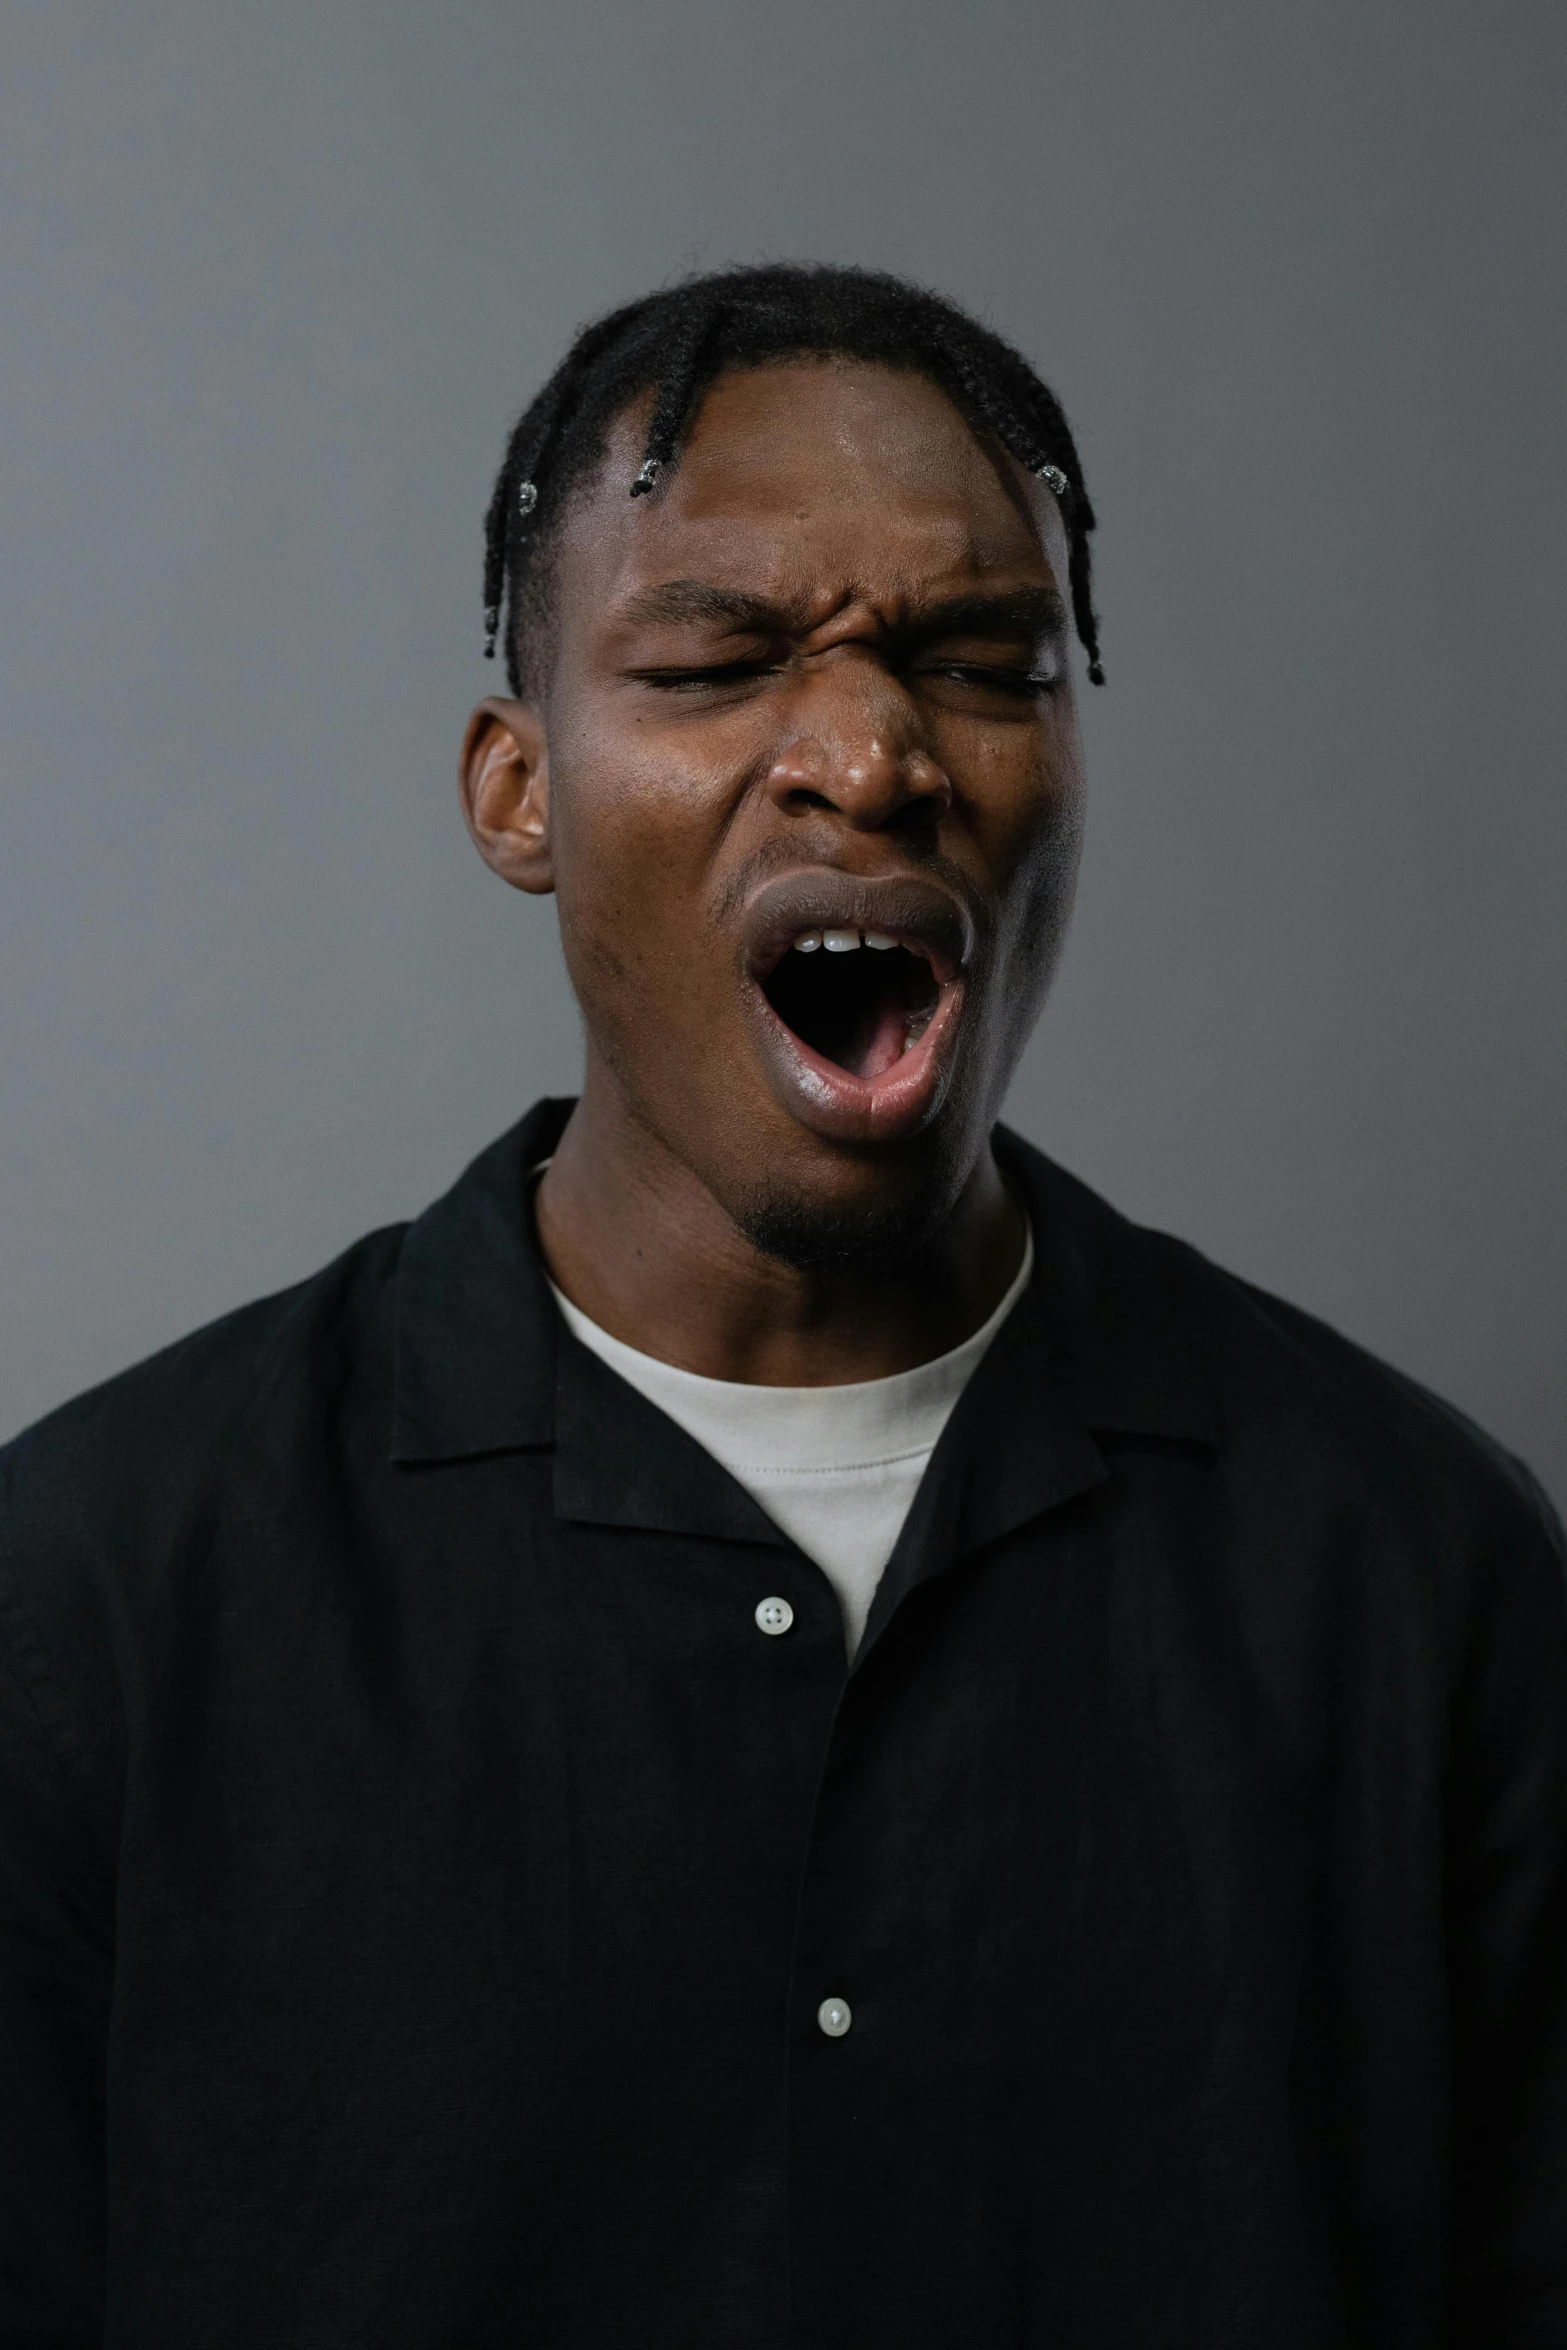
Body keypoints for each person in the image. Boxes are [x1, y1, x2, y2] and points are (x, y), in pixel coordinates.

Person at [2, 262, 1563, 2350]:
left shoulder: (1418, 1574)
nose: (868, 751)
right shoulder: (98, 1585)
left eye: (984, 660)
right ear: (516, 791)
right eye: (723, 658)